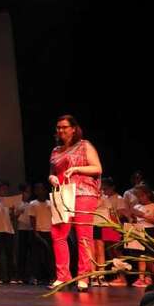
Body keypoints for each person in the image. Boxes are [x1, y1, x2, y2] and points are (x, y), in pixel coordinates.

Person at [48, 115, 102, 292]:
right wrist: (52, 178)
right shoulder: (56, 151)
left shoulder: (84, 145)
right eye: (58, 127)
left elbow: (97, 168)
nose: (61, 130)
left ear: (73, 129)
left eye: (64, 127)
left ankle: (83, 277)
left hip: (83, 193)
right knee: (58, 234)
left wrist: (77, 168)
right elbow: (52, 172)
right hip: (63, 194)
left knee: (83, 236)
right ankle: (62, 276)